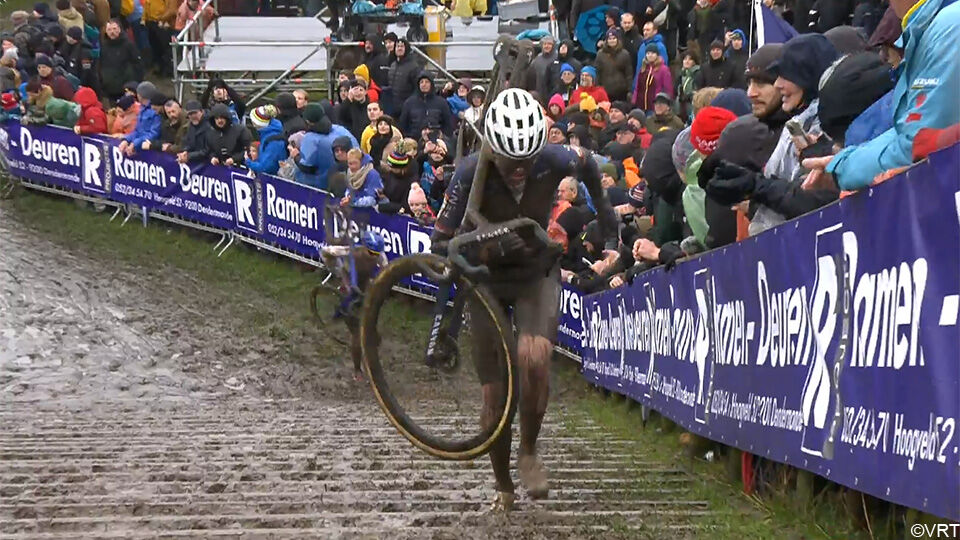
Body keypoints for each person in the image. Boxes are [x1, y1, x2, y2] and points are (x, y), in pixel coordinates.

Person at [430, 88, 618, 512]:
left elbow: (590, 169)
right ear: (492, 147)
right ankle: (502, 486)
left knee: (534, 356)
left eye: (526, 162)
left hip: (536, 271)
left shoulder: (555, 158)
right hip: (487, 281)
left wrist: (611, 229)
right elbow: (440, 243)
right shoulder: (467, 173)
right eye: (510, 163)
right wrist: (487, 246)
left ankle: (529, 450)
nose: (519, 171)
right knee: (495, 400)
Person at [805, 0, 960, 192]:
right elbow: (908, 127)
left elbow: (921, 142)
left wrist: (843, 169)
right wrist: (843, 162)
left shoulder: (950, 27)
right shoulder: (932, 27)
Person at [319, 230, 388, 381]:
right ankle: (357, 370)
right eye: (371, 252)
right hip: (346, 284)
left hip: (363, 288)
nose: (374, 256)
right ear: (363, 247)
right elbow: (325, 252)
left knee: (374, 336)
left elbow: (385, 272)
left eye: (376, 253)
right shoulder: (350, 251)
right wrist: (333, 269)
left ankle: (371, 357)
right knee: (357, 333)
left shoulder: (381, 257)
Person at [398, 71, 455, 138]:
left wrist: (441, 137)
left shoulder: (441, 103)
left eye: (427, 82)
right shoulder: (409, 103)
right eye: (421, 82)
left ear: (431, 84)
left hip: (437, 141)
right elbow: (403, 125)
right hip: (414, 140)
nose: (424, 84)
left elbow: (448, 125)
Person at [98, 18, 143, 102]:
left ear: (119, 29)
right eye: (109, 29)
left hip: (126, 88)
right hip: (110, 89)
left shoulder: (128, 45)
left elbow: (138, 65)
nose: (112, 32)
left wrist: (135, 84)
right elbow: (100, 66)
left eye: (114, 29)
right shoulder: (103, 46)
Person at [119, 82, 162, 156]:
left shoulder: (155, 111)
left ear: (140, 95)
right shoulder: (142, 109)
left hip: (151, 152)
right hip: (139, 146)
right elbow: (137, 130)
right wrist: (126, 140)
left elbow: (154, 134)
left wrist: (135, 143)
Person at [203, 102, 252, 167]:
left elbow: (249, 150)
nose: (219, 121)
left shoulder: (240, 130)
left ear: (227, 118)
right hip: (220, 169)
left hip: (239, 167)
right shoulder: (210, 133)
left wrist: (234, 159)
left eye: (222, 118)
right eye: (217, 118)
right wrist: (213, 157)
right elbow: (209, 150)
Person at [595, 28, 634, 102]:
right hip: (605, 91)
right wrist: (598, 88)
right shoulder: (600, 54)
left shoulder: (624, 54)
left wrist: (630, 90)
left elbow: (629, 74)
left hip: (621, 92)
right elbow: (597, 73)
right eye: (609, 39)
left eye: (614, 38)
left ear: (617, 39)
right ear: (606, 40)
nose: (612, 40)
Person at [632, 45, 673, 113]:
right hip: (641, 105)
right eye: (648, 53)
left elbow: (668, 88)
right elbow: (637, 86)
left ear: (657, 55)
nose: (650, 55)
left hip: (655, 105)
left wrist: (666, 103)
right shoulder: (643, 69)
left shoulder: (663, 69)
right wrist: (634, 99)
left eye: (653, 53)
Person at [387, 38, 420, 115]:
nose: (399, 48)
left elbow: (417, 88)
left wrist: (409, 104)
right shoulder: (393, 65)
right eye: (397, 46)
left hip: (407, 108)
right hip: (393, 108)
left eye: (402, 46)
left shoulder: (413, 66)